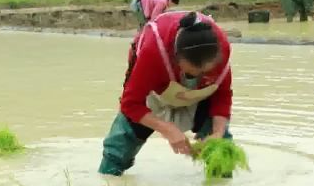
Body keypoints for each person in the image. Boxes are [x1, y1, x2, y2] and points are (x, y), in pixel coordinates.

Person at [99, 11, 233, 176]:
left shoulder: (222, 51)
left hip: (203, 92)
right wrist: (167, 129)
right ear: (175, 57)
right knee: (118, 148)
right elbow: (130, 104)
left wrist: (218, 133)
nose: (194, 78)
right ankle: (108, 181)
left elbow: (223, 95)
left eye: (203, 72)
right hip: (156, 88)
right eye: (190, 73)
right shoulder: (153, 52)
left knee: (221, 152)